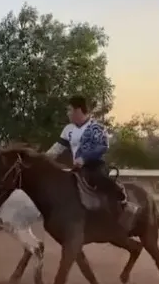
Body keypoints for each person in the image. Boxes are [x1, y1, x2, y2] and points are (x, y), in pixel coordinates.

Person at [45, 95, 137, 223]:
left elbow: (103, 146)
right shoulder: (68, 130)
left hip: (95, 165)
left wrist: (84, 158)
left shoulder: (96, 127)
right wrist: (43, 158)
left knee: (100, 178)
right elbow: (58, 148)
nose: (68, 113)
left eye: (69, 110)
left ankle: (122, 200)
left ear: (77, 110)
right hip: (77, 168)